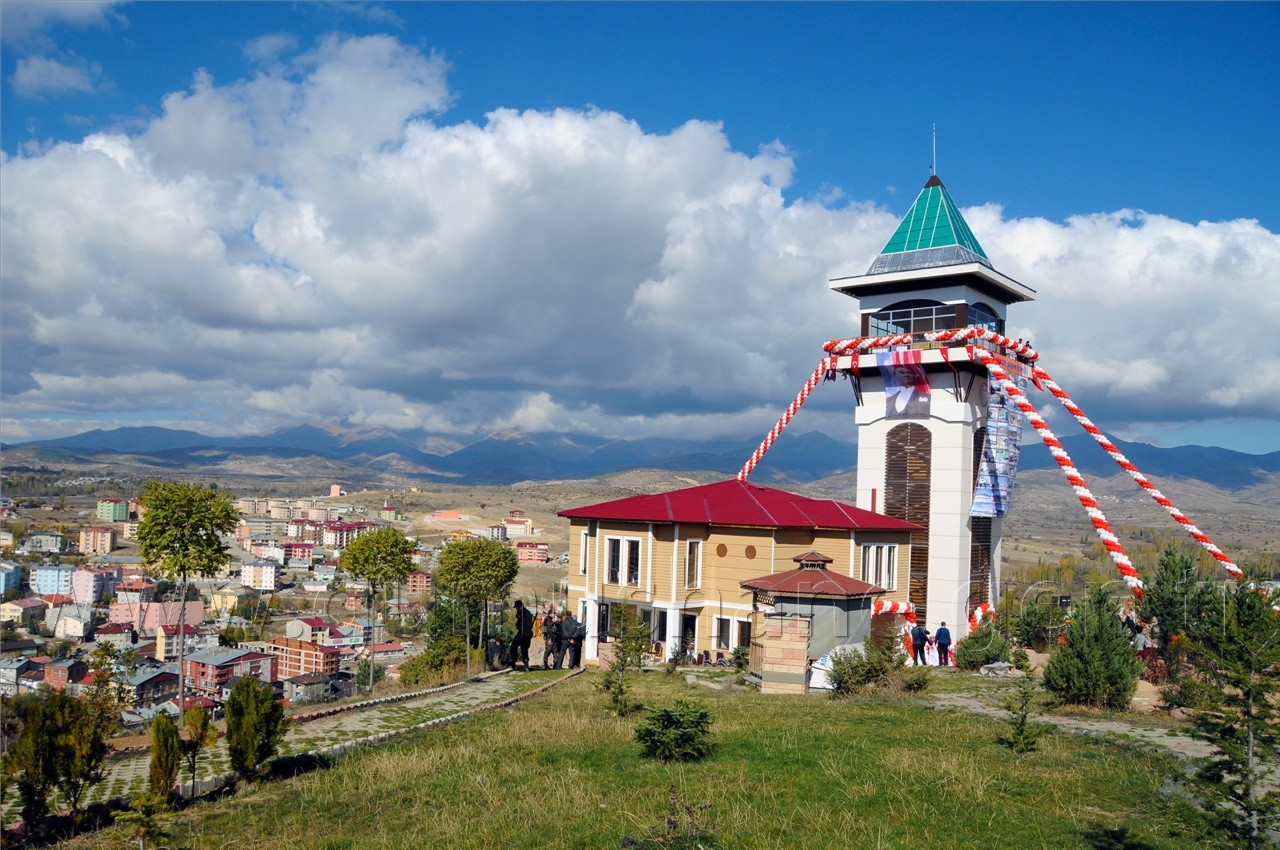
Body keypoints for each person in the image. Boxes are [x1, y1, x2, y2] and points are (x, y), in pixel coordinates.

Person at [509, 599, 535, 672]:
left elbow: (522, 625)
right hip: (527, 634)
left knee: (514, 646)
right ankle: (525, 665)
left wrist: (518, 626)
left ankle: (513, 662)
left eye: (516, 607)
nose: (516, 609)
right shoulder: (527, 613)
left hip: (523, 634)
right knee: (524, 649)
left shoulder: (523, 614)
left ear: (519, 606)